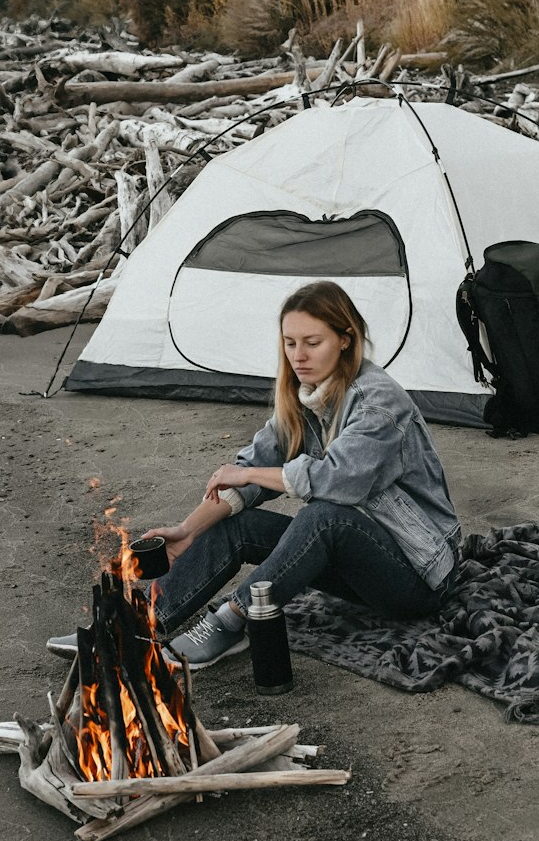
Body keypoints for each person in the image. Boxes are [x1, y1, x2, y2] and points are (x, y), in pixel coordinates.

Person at [47, 280, 460, 668]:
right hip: (355, 565)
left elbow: (337, 481)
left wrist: (252, 476)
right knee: (238, 524)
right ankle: (133, 626)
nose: (299, 356)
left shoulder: (379, 405)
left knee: (324, 516)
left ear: (345, 339)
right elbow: (249, 467)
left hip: (418, 575)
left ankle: (232, 620)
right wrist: (188, 530)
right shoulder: (305, 394)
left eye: (313, 343)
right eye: (290, 343)